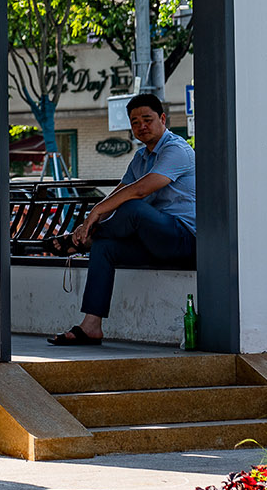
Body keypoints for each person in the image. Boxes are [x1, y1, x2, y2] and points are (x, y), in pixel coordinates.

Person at [47, 92, 197, 346]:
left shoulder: (176, 149)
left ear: (162, 118)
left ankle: (84, 243)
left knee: (133, 208)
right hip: (152, 242)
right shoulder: (140, 158)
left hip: (182, 239)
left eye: (147, 119)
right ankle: (91, 326)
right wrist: (86, 224)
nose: (142, 126)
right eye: (135, 122)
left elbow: (138, 191)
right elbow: (118, 193)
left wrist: (95, 217)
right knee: (105, 248)